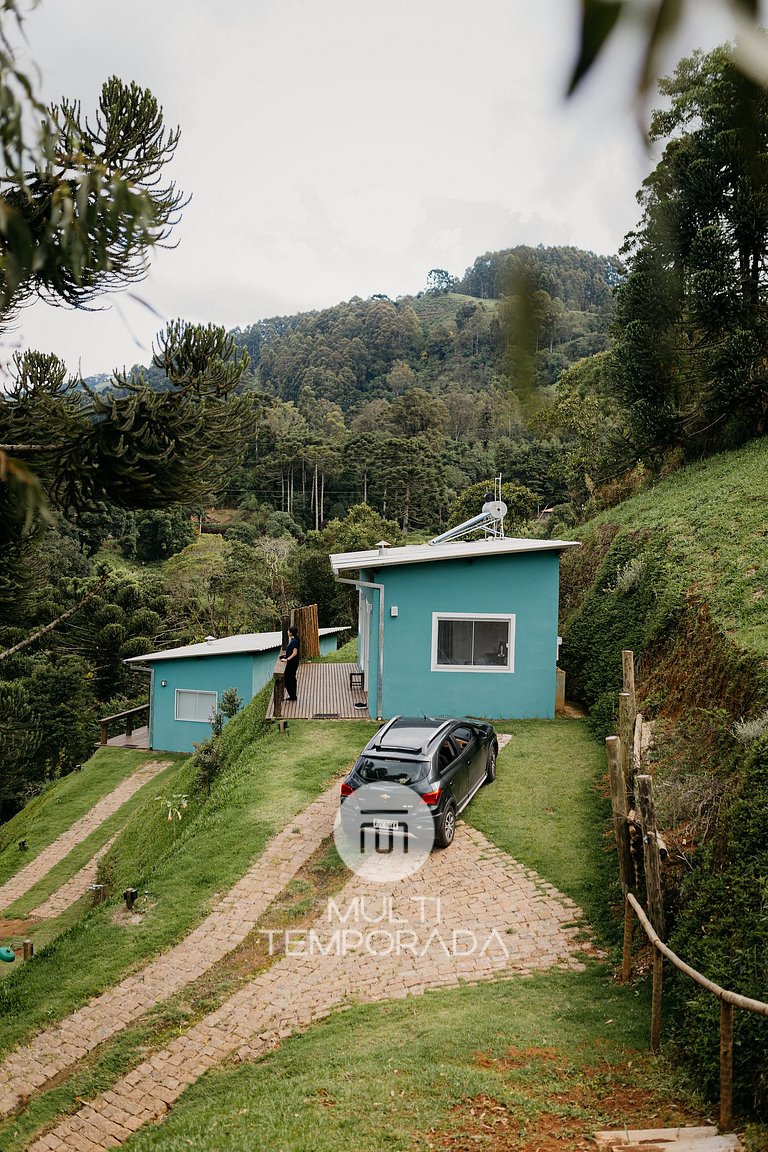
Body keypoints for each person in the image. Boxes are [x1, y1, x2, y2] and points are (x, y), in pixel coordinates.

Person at [283, 625, 300, 701]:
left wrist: (287, 659)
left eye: (288, 631)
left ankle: (293, 696)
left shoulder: (295, 641)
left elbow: (295, 653)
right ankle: (292, 696)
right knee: (290, 678)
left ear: (291, 633)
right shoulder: (293, 640)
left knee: (289, 678)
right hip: (291, 662)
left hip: (292, 662)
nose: (287, 632)